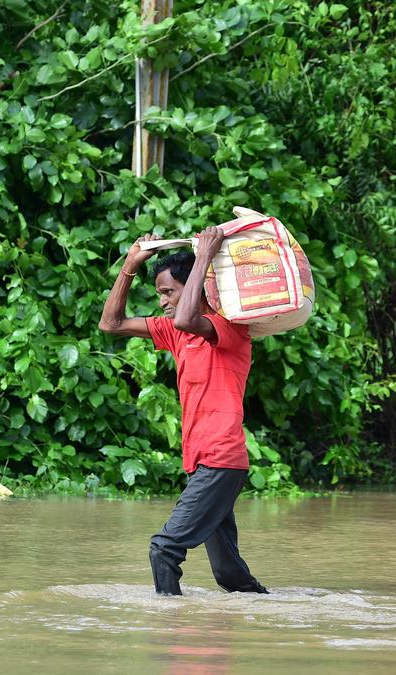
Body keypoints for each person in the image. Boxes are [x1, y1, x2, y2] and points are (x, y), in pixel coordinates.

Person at [98, 226, 269, 596]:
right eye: (159, 293)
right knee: (230, 575)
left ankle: (169, 622)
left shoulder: (230, 328)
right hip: (202, 463)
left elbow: (188, 318)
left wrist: (204, 257)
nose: (161, 301)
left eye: (167, 292)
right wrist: (129, 266)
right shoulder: (178, 334)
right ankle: (274, 616)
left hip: (221, 459)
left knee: (164, 548)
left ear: (194, 285)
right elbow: (110, 323)